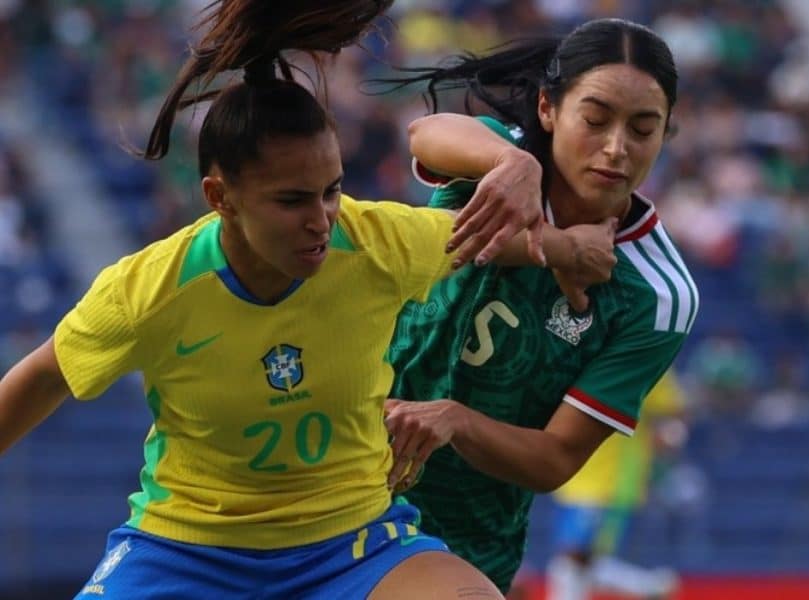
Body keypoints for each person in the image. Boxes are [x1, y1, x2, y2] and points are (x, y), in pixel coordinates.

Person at [0, 2, 610, 598]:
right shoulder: (149, 289)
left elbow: (482, 239)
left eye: (332, 191)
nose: (322, 221)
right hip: (185, 551)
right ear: (220, 197)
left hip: (352, 546)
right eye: (292, 201)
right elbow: (44, 376)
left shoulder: (374, 242)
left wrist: (568, 250)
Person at [381, 18, 699, 593]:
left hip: (459, 537)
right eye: (595, 120)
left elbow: (554, 458)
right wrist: (520, 178)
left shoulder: (658, 294)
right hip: (333, 473)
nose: (616, 148)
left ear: (666, 134)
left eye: (644, 129)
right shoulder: (495, 164)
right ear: (549, 109)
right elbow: (426, 134)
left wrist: (456, 420)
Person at [546, 372, 687, 600]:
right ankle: (650, 587)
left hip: (610, 481)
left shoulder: (644, 353)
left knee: (575, 557)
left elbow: (675, 411)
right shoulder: (581, 349)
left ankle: (651, 587)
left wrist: (667, 435)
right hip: (572, 477)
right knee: (576, 561)